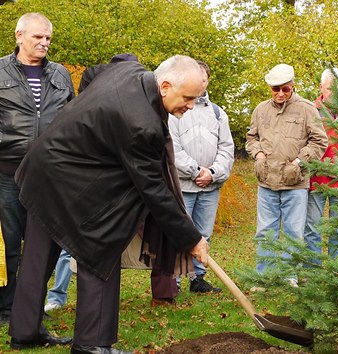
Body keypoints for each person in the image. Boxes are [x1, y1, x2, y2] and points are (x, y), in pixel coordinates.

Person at [8, 55, 211, 354]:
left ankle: (24, 333)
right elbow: (154, 191)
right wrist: (192, 239)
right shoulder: (141, 124)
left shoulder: (129, 70)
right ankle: (92, 344)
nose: (191, 106)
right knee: (101, 245)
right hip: (64, 178)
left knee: (38, 254)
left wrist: (90, 123)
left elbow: (90, 74)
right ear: (165, 86)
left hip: (45, 166)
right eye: (188, 98)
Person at [44, 52, 140, 314]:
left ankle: (88, 308)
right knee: (70, 241)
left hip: (107, 183)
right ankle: (58, 294)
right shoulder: (96, 94)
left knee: (86, 240)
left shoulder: (129, 104)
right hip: (81, 180)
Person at [0, 12, 74, 324]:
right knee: (10, 241)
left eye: (48, 39)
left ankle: (31, 306)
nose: (44, 43)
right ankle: (7, 307)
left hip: (49, 175)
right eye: (37, 37)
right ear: (19, 36)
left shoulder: (60, 74)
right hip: (8, 173)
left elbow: (73, 118)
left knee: (46, 243)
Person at [245, 63, 327, 286]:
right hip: (266, 182)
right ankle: (264, 277)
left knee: (293, 232)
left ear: (293, 86)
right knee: (265, 231)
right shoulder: (260, 110)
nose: (280, 93)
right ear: (270, 88)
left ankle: (289, 275)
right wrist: (259, 155)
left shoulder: (307, 108)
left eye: (285, 89)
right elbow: (251, 138)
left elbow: (320, 141)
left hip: (296, 183)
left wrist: (300, 162)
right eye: (275, 89)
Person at [169, 60, 234, 293]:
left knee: (203, 234)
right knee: (181, 233)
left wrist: (213, 173)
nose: (201, 82)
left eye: (204, 78)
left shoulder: (217, 113)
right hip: (183, 186)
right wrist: (196, 171)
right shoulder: (175, 109)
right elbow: (172, 148)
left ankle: (198, 279)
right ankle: (174, 280)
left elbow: (227, 147)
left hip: (210, 188)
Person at [303, 68, 338, 265]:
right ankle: (312, 270)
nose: (335, 93)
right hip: (316, 178)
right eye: (330, 88)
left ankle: (336, 269)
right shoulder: (310, 110)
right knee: (312, 226)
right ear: (321, 88)